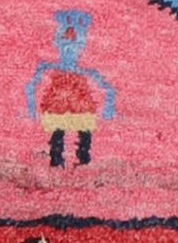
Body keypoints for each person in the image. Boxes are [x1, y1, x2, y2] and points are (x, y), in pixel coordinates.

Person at [25, 9, 116, 168]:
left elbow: (107, 89)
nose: (70, 51)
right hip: (61, 105)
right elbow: (31, 86)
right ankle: (60, 161)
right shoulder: (51, 67)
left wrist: (109, 108)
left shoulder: (80, 71)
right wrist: (30, 108)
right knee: (60, 133)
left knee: (80, 133)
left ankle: (80, 160)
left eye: (74, 46)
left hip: (77, 105)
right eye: (66, 45)